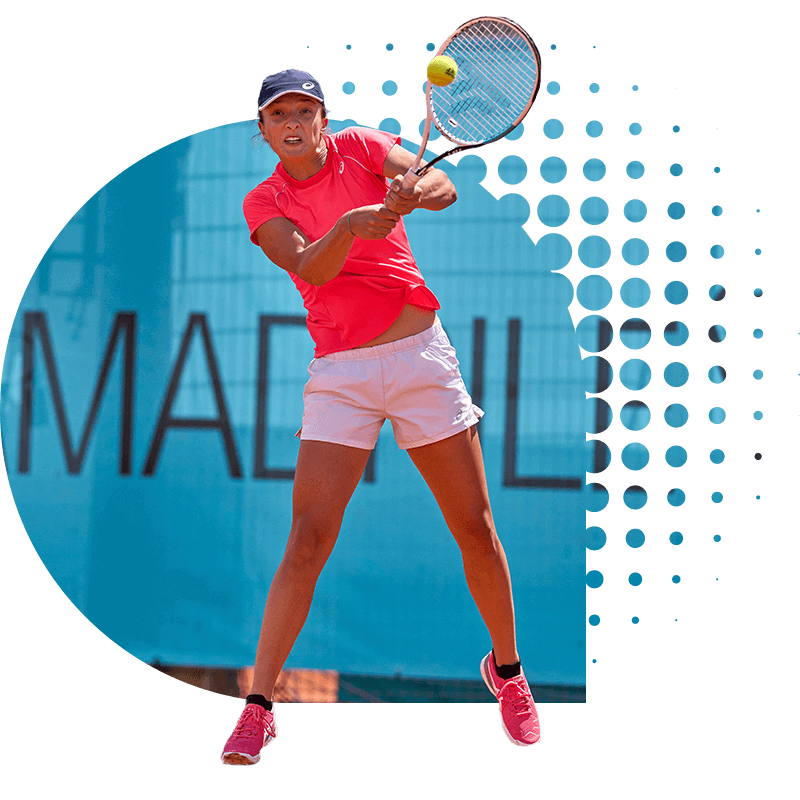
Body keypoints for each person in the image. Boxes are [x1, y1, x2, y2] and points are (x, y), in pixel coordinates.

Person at [221, 69, 540, 764]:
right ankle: (259, 707)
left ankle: (509, 673)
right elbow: (310, 267)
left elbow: (443, 186)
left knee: (476, 527)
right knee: (307, 540)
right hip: (343, 376)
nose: (294, 122)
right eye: (280, 115)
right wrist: (352, 224)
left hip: (421, 356)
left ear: (324, 118)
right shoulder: (263, 202)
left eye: (305, 110)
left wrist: (411, 194)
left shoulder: (363, 147)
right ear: (264, 131)